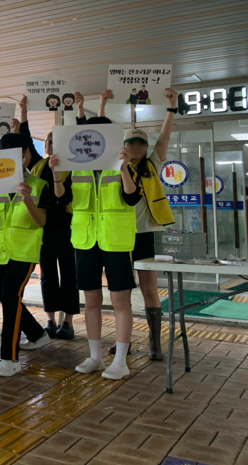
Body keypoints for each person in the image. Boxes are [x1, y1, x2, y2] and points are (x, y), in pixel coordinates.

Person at [52, 115, 140, 380]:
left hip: (116, 239)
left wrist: (123, 168)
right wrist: (56, 174)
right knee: (91, 300)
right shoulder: (76, 168)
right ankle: (95, 357)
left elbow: (132, 197)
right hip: (86, 239)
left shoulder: (124, 165)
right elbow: (63, 199)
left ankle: (121, 361)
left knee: (119, 300)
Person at [0, 133, 53, 377]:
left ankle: (10, 358)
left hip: (25, 252)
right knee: (9, 298)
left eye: (17, 155)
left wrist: (27, 200)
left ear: (26, 154)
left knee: (9, 294)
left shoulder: (39, 185)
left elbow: (41, 221)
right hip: (0, 251)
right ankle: (37, 334)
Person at [16, 96, 79, 340]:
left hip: (69, 228)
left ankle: (68, 322)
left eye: (55, 141)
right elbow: (26, 140)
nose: (51, 144)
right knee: (47, 276)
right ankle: (51, 320)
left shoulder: (73, 166)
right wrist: (23, 113)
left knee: (70, 275)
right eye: (49, 141)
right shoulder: (39, 165)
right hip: (44, 228)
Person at [122, 88, 178, 361]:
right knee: (121, 292)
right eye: (131, 143)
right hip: (120, 235)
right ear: (124, 146)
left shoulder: (152, 165)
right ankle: (124, 341)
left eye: (141, 143)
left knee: (149, 289)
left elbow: (164, 137)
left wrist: (171, 108)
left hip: (148, 235)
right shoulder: (115, 169)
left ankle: (155, 344)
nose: (136, 147)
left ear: (146, 147)